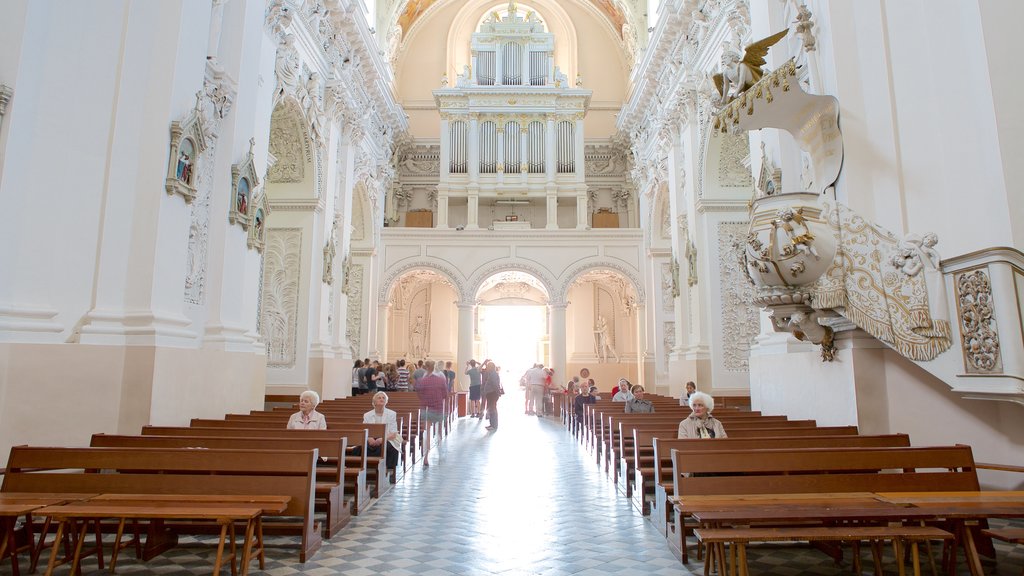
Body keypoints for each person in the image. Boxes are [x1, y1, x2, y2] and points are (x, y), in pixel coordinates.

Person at [415, 359, 448, 465]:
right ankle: (440, 450)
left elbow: (418, 393)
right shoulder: (441, 380)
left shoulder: (422, 380)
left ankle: (426, 456)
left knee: (427, 433)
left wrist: (424, 400)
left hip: (426, 408)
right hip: (438, 407)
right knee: (439, 431)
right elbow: (445, 395)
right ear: (434, 367)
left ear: (426, 367)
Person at [363, 391, 402, 471]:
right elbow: (364, 430)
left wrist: (382, 439)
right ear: (374, 402)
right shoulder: (367, 415)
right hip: (371, 438)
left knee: (387, 447)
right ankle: (366, 469)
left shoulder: (392, 414)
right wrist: (369, 438)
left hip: (387, 438)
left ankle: (387, 470)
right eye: (379, 397)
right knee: (360, 448)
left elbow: (393, 434)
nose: (382, 399)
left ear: (386, 401)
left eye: (383, 398)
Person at [480, 361, 502, 431]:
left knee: (493, 408)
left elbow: (495, 384)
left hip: (492, 394)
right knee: (491, 408)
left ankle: (494, 425)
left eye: (488, 366)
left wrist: (498, 392)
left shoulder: (493, 374)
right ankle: (491, 424)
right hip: (490, 393)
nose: (486, 368)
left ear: (491, 367)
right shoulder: (491, 374)